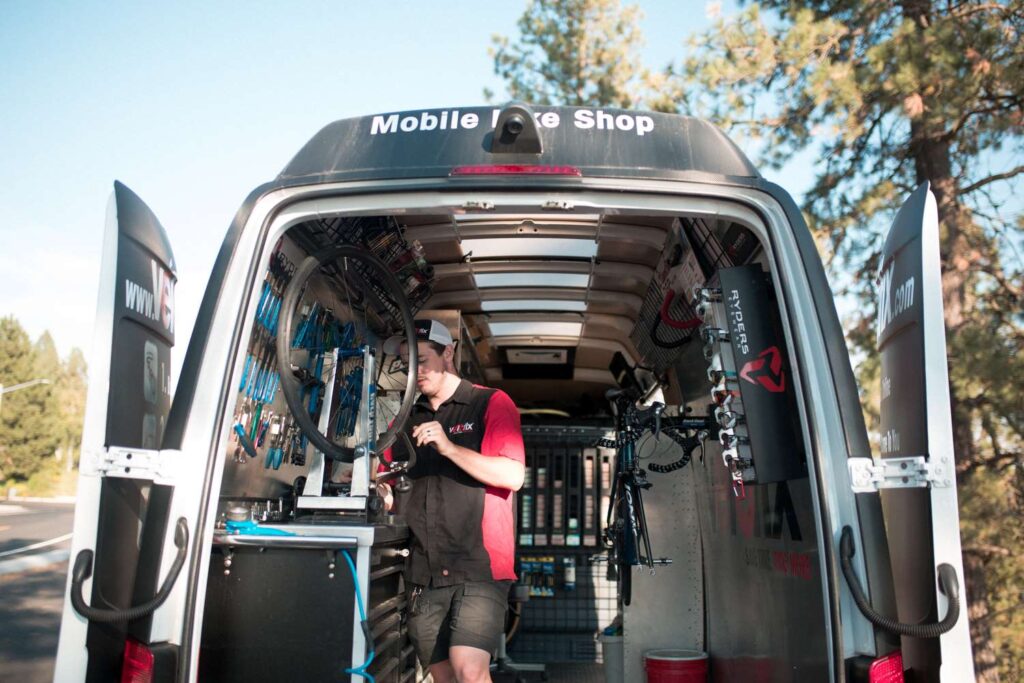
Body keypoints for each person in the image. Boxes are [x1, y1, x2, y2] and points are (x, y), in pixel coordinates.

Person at [381, 319, 525, 683]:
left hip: (478, 567)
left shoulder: (489, 403)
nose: (416, 371)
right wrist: (376, 489)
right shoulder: (405, 420)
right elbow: (381, 477)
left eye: (424, 359)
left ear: (449, 353)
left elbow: (512, 476)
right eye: (408, 363)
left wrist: (448, 447)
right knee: (444, 678)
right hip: (424, 572)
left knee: (469, 671)